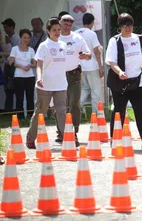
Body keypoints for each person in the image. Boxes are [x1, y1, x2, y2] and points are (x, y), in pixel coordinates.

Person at [105, 13, 142, 150]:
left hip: (138, 81)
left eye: (130, 25)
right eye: (124, 25)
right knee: (119, 111)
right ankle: (115, 138)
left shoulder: (140, 39)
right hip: (120, 83)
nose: (128, 28)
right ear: (120, 27)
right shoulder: (115, 41)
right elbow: (111, 61)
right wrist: (120, 72)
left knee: (140, 111)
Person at [26, 18, 68, 148]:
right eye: (54, 30)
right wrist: (39, 78)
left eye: (59, 30)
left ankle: (67, 137)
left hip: (61, 85)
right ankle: (31, 137)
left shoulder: (64, 45)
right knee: (40, 111)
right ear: (48, 31)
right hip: (44, 85)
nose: (57, 32)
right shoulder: (44, 46)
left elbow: (67, 63)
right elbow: (39, 65)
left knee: (61, 110)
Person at [56, 14, 91, 146]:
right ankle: (61, 132)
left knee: (75, 103)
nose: (68, 23)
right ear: (60, 22)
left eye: (70, 22)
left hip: (74, 74)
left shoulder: (77, 37)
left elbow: (89, 54)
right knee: (60, 104)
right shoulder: (55, 37)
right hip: (58, 74)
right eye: (65, 21)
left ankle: (73, 132)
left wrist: (86, 56)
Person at [75, 13, 104, 113]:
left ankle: (75, 109)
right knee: (96, 91)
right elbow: (96, 51)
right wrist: (101, 67)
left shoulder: (75, 33)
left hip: (79, 66)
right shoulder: (92, 34)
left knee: (84, 89)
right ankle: (97, 113)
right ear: (92, 22)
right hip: (92, 66)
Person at [9, 29, 36, 119]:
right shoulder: (15, 49)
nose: (26, 39)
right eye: (24, 37)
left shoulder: (31, 50)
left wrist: (30, 65)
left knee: (30, 97)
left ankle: (30, 115)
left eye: (28, 38)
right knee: (19, 97)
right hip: (19, 76)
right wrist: (21, 66)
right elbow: (11, 63)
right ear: (20, 38)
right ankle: (20, 117)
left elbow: (35, 64)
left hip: (30, 76)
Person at [1, 18, 20, 113]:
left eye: (6, 27)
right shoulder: (6, 38)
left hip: (13, 66)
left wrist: (9, 43)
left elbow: (16, 52)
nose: (5, 29)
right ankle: (7, 110)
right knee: (7, 88)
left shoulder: (17, 38)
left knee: (14, 87)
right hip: (7, 65)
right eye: (4, 27)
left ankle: (16, 110)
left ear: (12, 27)